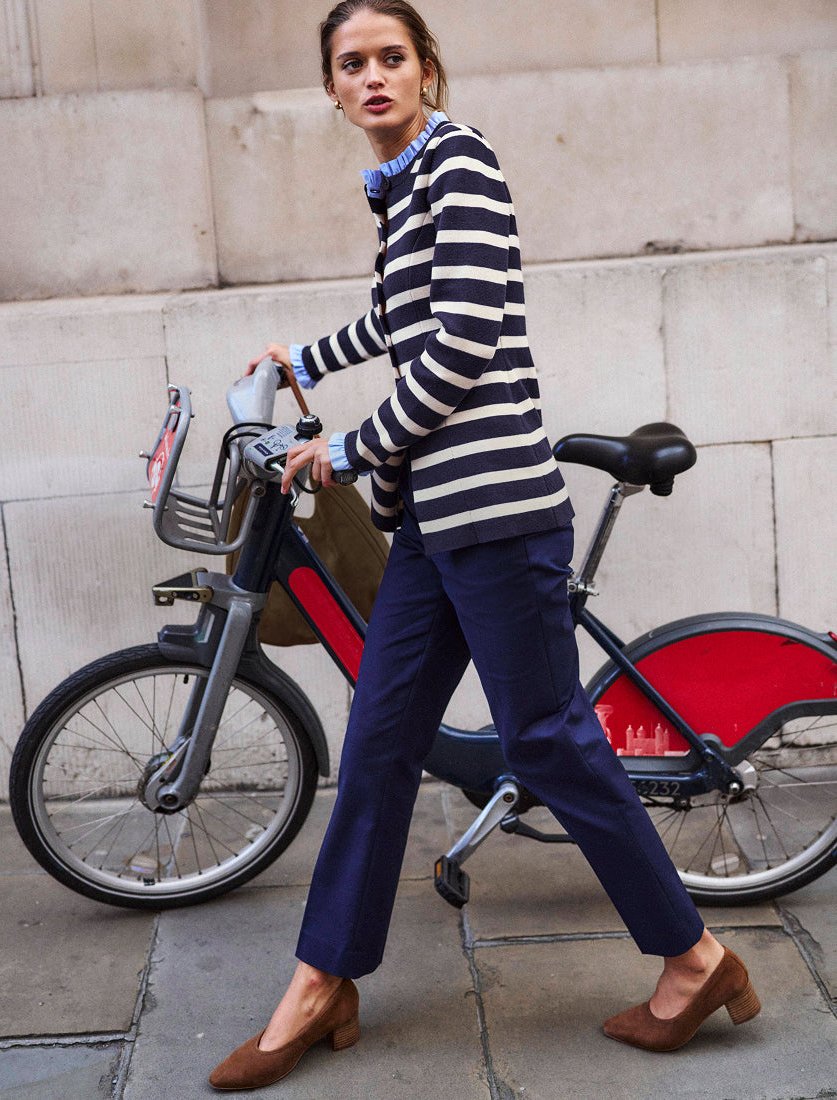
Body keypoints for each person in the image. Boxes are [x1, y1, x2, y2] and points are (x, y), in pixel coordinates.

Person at [210, 1, 760, 1089]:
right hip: (432, 520)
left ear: (426, 68)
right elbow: (402, 317)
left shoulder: (458, 162)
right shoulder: (403, 182)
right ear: (332, 88)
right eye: (351, 64)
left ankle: (695, 958)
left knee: (546, 740)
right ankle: (323, 980)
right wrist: (303, 358)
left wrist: (349, 447)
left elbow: (460, 339)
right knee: (379, 741)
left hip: (497, 514)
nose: (372, 76)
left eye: (391, 57)